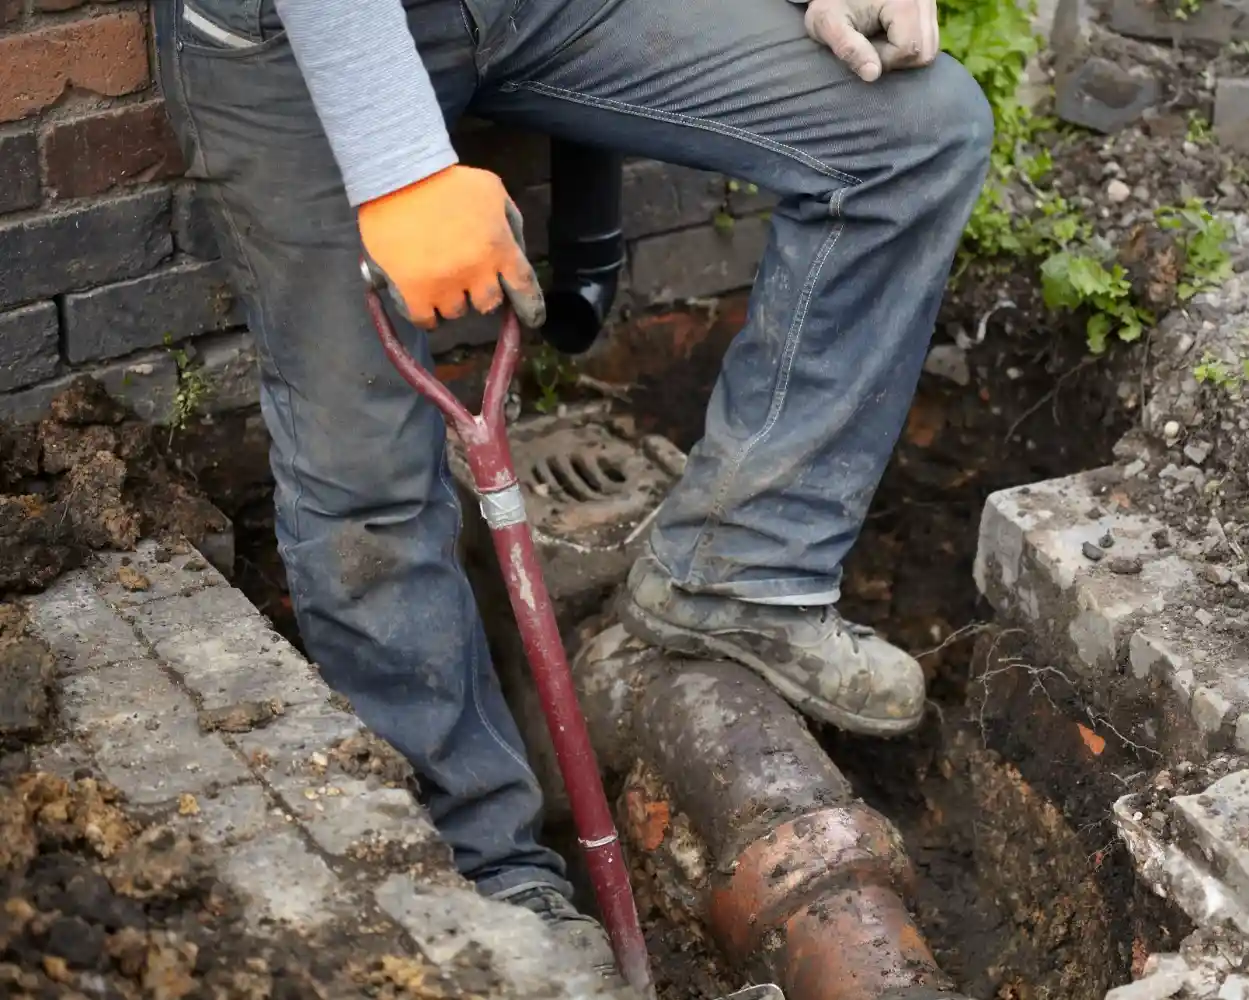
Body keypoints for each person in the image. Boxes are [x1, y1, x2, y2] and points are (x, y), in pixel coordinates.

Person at [152, 0, 992, 947]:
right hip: (297, 34)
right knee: (366, 482)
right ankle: (483, 876)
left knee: (913, 134)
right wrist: (399, 165)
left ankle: (746, 569)